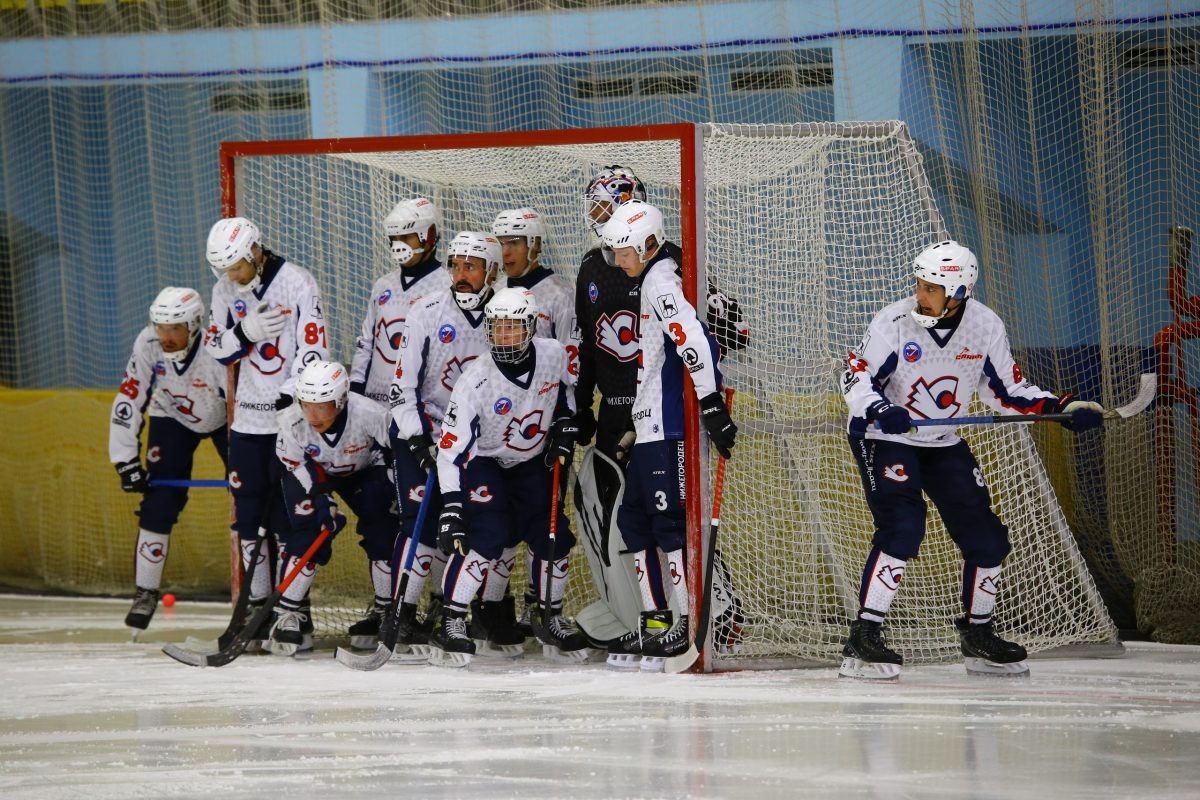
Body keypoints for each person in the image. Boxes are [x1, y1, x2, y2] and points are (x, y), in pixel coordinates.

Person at [839, 239, 1105, 680]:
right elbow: (856, 377)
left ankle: (978, 634)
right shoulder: (894, 321)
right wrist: (880, 409)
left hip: (941, 439)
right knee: (903, 527)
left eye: (931, 288)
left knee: (987, 537)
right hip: (884, 436)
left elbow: (1008, 392)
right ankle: (863, 638)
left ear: (958, 293)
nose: (920, 294)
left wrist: (1059, 408)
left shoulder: (984, 326)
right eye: (920, 284)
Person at [574, 165, 747, 655]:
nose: (614, 255)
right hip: (642, 422)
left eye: (622, 247)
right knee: (635, 521)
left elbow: (697, 338)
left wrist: (711, 404)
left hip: (669, 423)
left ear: (645, 242)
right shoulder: (638, 273)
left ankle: (691, 620)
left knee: (671, 524)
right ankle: (655, 621)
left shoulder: (664, 277)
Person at [431, 287, 587, 666]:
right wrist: (452, 506)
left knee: (555, 538)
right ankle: (450, 621)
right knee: (488, 536)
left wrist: (566, 423)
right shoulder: (475, 379)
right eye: (497, 328)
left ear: (532, 328)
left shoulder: (553, 355)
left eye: (513, 328)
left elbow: (568, 392)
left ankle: (547, 615)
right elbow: (450, 451)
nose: (504, 337)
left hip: (533, 462)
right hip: (485, 462)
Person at [204, 217, 328, 649]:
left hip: (288, 424)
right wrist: (244, 332)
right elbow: (216, 348)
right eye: (225, 269)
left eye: (237, 265)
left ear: (256, 250)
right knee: (248, 521)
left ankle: (294, 613)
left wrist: (291, 395)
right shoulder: (225, 291)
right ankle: (257, 609)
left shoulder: (297, 282)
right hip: (246, 427)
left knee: (288, 520)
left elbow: (314, 350)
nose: (232, 276)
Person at [388, 231, 502, 654]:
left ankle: (450, 610)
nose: (460, 275)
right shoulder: (426, 311)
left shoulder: (505, 316)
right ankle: (399, 611)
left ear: (491, 270)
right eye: (455, 266)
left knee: (466, 525)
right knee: (417, 521)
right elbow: (403, 384)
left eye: (470, 267)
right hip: (422, 432)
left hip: (472, 442)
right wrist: (418, 439)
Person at [346, 197, 450, 647]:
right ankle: (391, 601)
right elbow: (366, 343)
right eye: (394, 239)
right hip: (380, 415)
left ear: (428, 236)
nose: (400, 247)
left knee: (442, 512)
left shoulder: (450, 283)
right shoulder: (382, 285)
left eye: (407, 237)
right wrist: (352, 394)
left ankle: (443, 603)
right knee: (393, 513)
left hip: (428, 415)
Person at [109, 287, 228, 632]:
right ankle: (145, 592)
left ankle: (260, 600)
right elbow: (128, 398)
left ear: (194, 325)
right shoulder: (147, 344)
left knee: (252, 501)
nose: (166, 336)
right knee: (158, 504)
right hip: (171, 415)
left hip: (225, 417)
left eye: (175, 328)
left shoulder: (214, 349)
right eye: (160, 327)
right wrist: (125, 460)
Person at [490, 207, 580, 641]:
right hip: (495, 434)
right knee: (498, 526)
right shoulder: (493, 293)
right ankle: (496, 611)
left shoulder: (559, 294)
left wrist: (568, 419)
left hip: (541, 430)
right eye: (501, 243)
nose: (505, 252)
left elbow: (570, 364)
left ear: (535, 245)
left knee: (545, 525)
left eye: (514, 243)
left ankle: (543, 609)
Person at [271, 360, 398, 656]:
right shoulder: (292, 420)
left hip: (364, 470)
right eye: (307, 404)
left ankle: (384, 610)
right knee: (311, 530)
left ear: (341, 400)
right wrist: (319, 498)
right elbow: (294, 465)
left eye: (322, 406)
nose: (312, 415)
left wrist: (392, 483)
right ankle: (288, 614)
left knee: (383, 529)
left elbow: (397, 449)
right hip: (312, 473)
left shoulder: (368, 413)